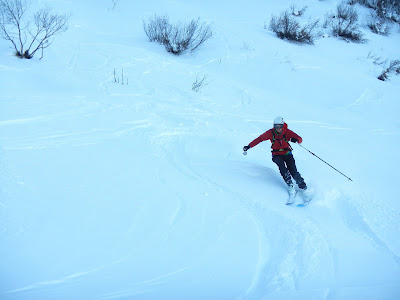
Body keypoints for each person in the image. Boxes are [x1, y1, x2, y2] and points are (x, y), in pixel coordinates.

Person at [243, 116, 307, 198]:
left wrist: (297, 140)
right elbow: (259, 139)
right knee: (282, 168)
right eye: (276, 126)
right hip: (276, 154)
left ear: (283, 125)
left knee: (293, 171)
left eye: (280, 126)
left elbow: (300, 138)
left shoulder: (287, 132)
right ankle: (290, 184)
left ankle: (303, 186)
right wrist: (249, 146)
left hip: (287, 153)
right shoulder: (271, 133)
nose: (278, 128)